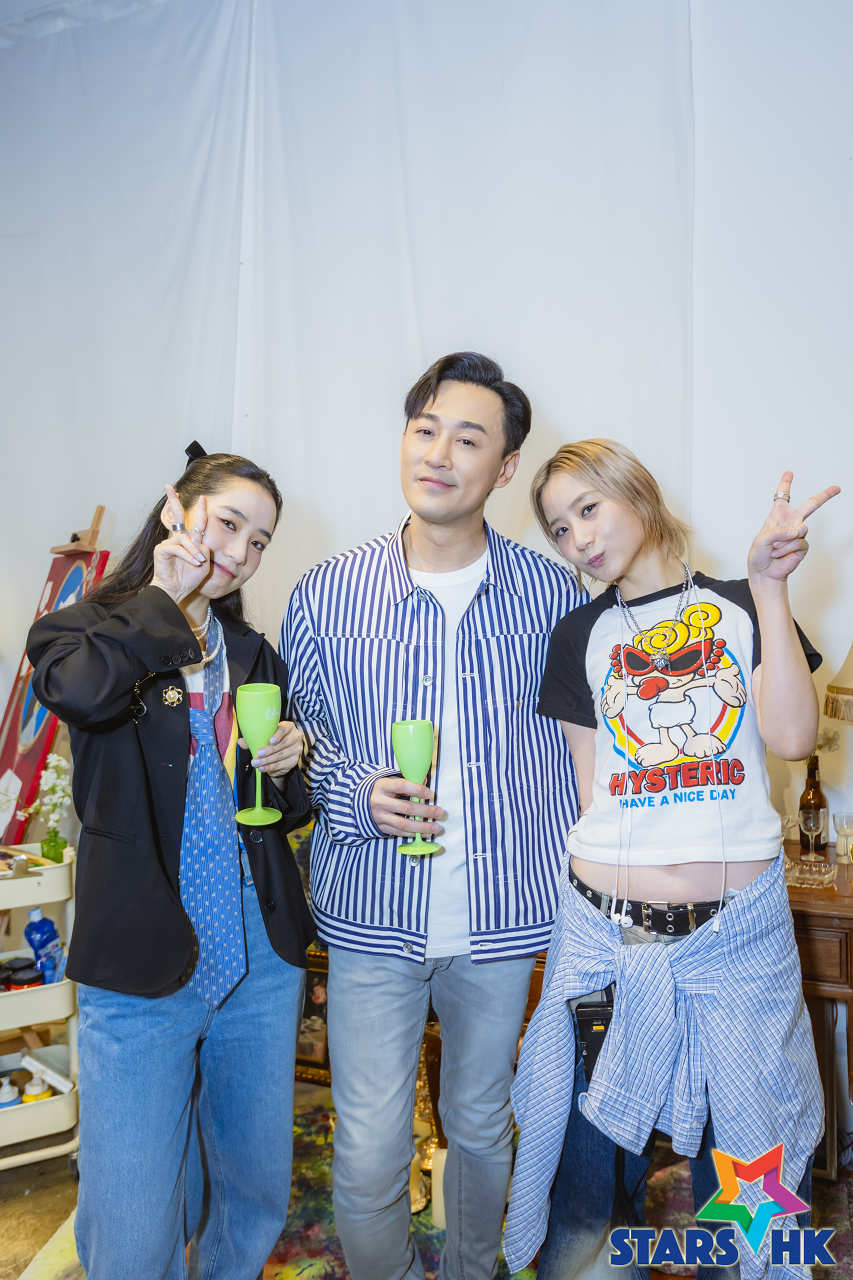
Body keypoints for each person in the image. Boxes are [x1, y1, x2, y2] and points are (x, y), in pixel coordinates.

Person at [504, 439, 840, 1280]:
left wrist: (770, 586)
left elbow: (791, 738)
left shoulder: (741, 603)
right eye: (558, 528)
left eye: (588, 509)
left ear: (639, 494)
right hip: (603, 946)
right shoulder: (576, 635)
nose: (577, 538)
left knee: (752, 1185)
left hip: (737, 949)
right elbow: (594, 794)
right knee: (585, 1189)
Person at [281, 352, 585, 1280]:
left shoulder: (553, 593)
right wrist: (355, 793)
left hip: (502, 918)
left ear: (504, 467)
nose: (438, 453)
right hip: (373, 915)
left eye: (467, 438)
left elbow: (583, 747)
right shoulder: (327, 591)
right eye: (425, 430)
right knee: (369, 1144)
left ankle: (470, 1271)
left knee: (484, 1125)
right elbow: (295, 744)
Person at [28, 448, 314, 1280]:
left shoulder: (251, 652)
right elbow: (81, 693)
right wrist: (164, 599)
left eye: (259, 541)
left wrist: (286, 763)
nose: (241, 552)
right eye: (228, 523)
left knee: (252, 1190)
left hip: (258, 953)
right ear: (174, 511)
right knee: (133, 1216)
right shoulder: (84, 630)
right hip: (140, 954)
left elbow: (281, 812)